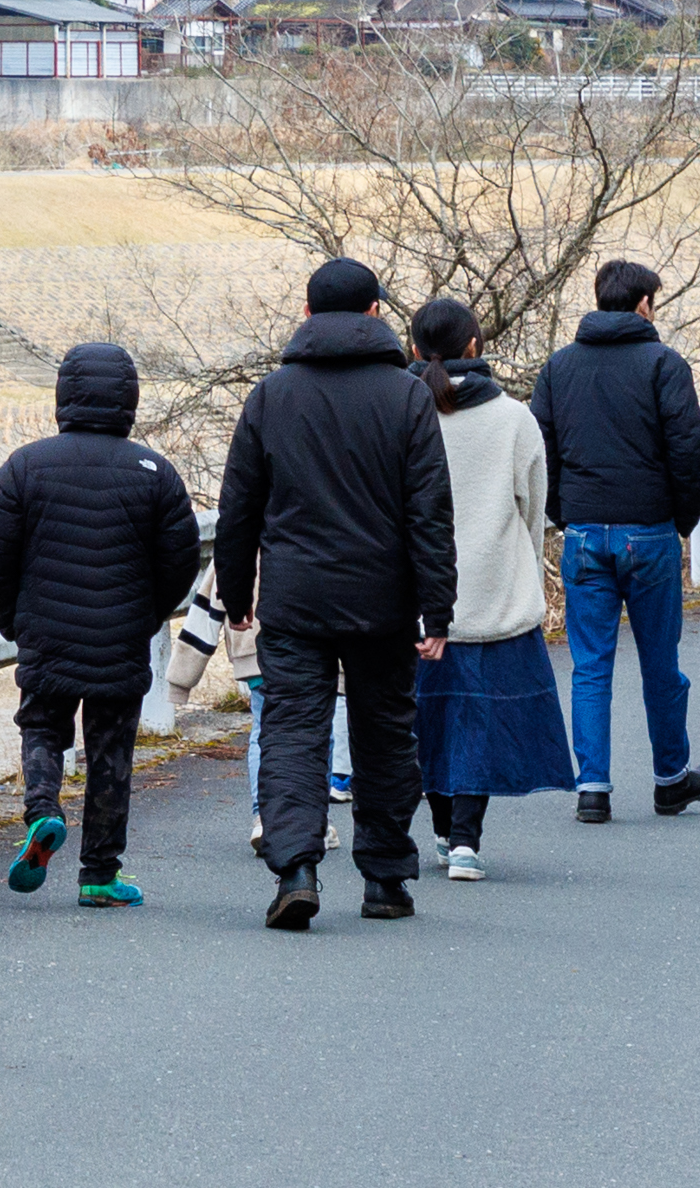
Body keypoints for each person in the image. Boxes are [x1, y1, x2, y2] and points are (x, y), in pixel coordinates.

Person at [212, 255, 457, 930]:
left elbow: (238, 509)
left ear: (307, 312)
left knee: (293, 730)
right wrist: (437, 607)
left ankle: (296, 868)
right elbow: (429, 511)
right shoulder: (406, 395)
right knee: (384, 733)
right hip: (384, 600)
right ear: (377, 311)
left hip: (295, 600)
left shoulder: (272, 394)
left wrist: (237, 597)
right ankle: (385, 878)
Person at [0, 339, 202, 909]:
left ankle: (44, 812)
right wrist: (147, 615)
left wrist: (12, 620)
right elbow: (181, 559)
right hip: (122, 637)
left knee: (44, 727)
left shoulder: (25, 466)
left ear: (63, 396)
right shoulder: (155, 471)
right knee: (111, 751)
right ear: (128, 399)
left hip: (47, 633)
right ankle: (99, 874)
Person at [529, 257, 700, 823]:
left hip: (585, 534)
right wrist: (677, 521)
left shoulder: (559, 368)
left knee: (590, 666)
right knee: (661, 662)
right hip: (649, 533)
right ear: (642, 305)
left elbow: (542, 454)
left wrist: (568, 515)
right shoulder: (664, 364)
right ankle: (669, 779)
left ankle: (593, 788)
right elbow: (689, 453)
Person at [406, 297, 571, 883]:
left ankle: (445, 830)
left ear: (414, 348)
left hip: (417, 599)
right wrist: (524, 570)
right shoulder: (513, 419)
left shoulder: (402, 412)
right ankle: (465, 843)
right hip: (493, 593)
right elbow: (533, 513)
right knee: (479, 719)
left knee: (426, 719)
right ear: (474, 346)